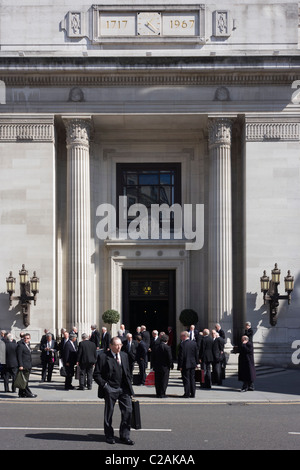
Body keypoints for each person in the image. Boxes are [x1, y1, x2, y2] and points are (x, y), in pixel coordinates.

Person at [93, 336, 135, 445]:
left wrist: (130, 388)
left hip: (124, 389)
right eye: (116, 345)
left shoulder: (124, 356)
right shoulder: (103, 357)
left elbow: (127, 372)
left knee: (128, 411)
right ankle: (109, 435)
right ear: (111, 346)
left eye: (120, 345)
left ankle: (125, 436)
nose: (119, 347)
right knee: (109, 414)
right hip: (110, 388)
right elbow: (96, 374)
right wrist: (105, 386)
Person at [177, 331, 198, 398]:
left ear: (184, 336)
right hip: (192, 363)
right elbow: (196, 354)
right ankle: (193, 393)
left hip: (185, 364)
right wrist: (196, 363)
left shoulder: (182, 344)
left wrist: (180, 366)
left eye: (181, 336)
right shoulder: (194, 343)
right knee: (192, 379)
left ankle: (187, 393)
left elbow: (181, 356)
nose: (180, 337)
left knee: (186, 379)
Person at [152, 334, 173, 398]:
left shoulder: (155, 346)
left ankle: (158, 393)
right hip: (165, 367)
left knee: (157, 380)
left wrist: (153, 365)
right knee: (164, 380)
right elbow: (169, 358)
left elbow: (152, 357)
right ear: (167, 340)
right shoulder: (167, 347)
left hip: (157, 366)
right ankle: (162, 393)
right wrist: (170, 365)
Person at [16, 333, 37, 398]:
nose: (26, 339)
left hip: (28, 365)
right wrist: (20, 365)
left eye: (27, 338)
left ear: (29, 339)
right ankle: (28, 393)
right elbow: (19, 356)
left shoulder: (27, 345)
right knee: (25, 380)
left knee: (23, 380)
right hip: (24, 366)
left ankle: (21, 393)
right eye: (25, 338)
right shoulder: (21, 345)